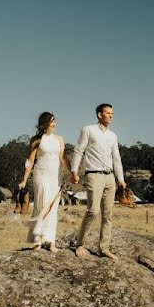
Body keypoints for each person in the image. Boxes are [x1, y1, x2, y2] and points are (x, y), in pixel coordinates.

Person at [71, 103, 126, 260]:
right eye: (108, 113)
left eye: (112, 113)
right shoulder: (88, 130)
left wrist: (120, 179)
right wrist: (74, 171)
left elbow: (116, 158)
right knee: (93, 211)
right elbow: (79, 150)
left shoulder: (113, 136)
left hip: (110, 177)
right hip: (93, 175)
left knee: (108, 215)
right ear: (99, 115)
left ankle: (104, 248)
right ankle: (80, 244)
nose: (111, 116)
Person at [18, 112, 70, 252]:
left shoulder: (59, 139)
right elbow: (30, 161)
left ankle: (51, 241)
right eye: (52, 121)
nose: (55, 124)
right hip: (40, 176)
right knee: (41, 206)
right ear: (45, 124)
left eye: (55, 121)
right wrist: (24, 180)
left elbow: (63, 158)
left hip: (55, 177)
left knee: (52, 208)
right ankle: (38, 241)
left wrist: (72, 173)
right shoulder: (36, 140)